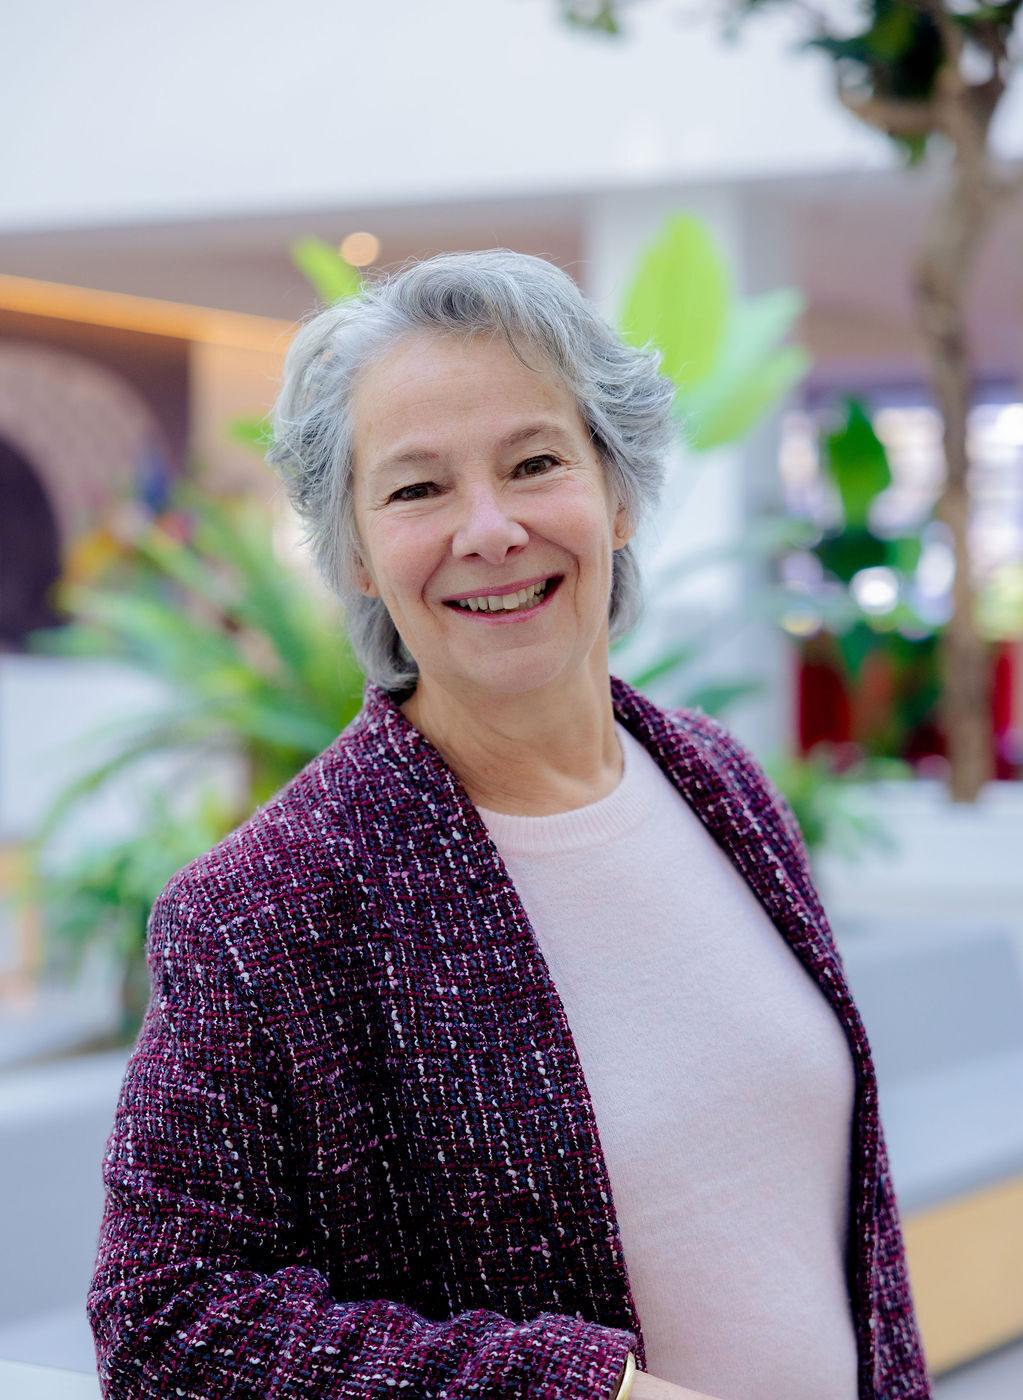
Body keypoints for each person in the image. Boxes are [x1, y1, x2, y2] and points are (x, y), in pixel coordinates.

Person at [88, 250, 932, 1400]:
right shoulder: (266, 906)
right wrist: (585, 1391)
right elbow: (167, 1321)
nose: (489, 529)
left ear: (617, 493)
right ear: (357, 554)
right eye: (417, 489)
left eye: (535, 463)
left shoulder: (722, 782)